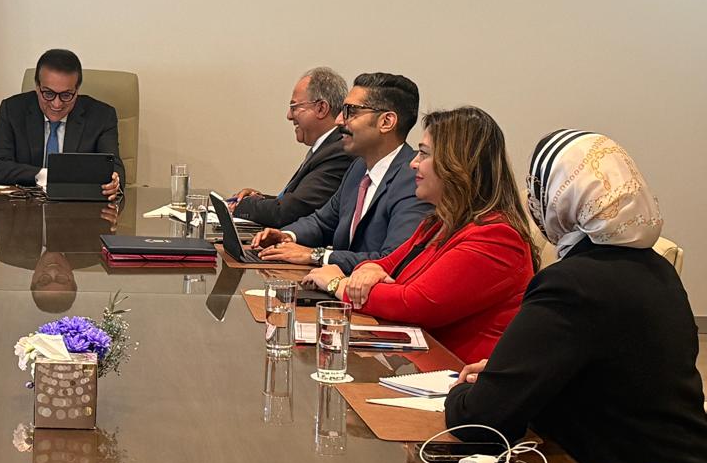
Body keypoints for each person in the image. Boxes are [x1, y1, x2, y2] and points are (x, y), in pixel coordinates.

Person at [445, 130, 707, 463]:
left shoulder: (573, 283)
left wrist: (464, 390)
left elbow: (479, 423)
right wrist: (513, 373)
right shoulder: (656, 271)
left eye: (537, 188)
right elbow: (604, 370)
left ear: (562, 196)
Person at [301, 107, 536, 363]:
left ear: (457, 165)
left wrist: (338, 284)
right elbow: (384, 264)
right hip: (417, 363)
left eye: (423, 154)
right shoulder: (438, 223)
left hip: (457, 375)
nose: (413, 163)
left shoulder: (497, 237)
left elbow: (413, 303)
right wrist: (370, 271)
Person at [251, 72, 430, 273]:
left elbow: (393, 259)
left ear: (386, 122)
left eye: (350, 112)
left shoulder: (414, 179)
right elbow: (322, 222)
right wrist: (288, 236)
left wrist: (317, 256)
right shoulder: (358, 168)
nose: (338, 121)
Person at [0, 48, 123, 200]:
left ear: (77, 90)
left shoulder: (102, 116)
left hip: (78, 208)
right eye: (48, 94)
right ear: (37, 87)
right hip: (25, 208)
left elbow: (114, 167)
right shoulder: (13, 110)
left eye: (66, 95)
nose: (56, 104)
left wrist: (114, 182)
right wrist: (44, 175)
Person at [229, 67, 355, 229]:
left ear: (321, 108)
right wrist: (258, 199)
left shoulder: (339, 151)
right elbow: (294, 200)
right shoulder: (326, 147)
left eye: (294, 107)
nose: (289, 116)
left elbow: (289, 212)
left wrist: (244, 204)